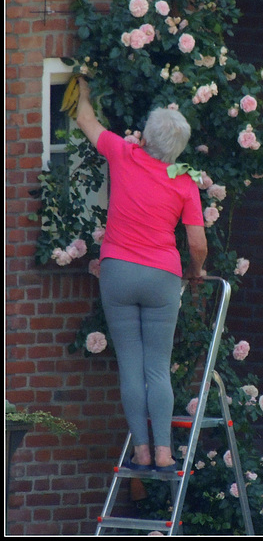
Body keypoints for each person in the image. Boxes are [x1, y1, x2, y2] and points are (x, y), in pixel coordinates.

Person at [75, 77, 207, 471]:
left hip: (118, 273)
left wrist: (82, 90)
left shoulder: (123, 153)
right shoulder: (185, 182)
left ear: (147, 138)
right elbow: (197, 243)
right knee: (157, 368)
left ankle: (141, 451)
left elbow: (85, 120)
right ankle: (165, 453)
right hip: (162, 277)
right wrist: (196, 272)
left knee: (131, 365)